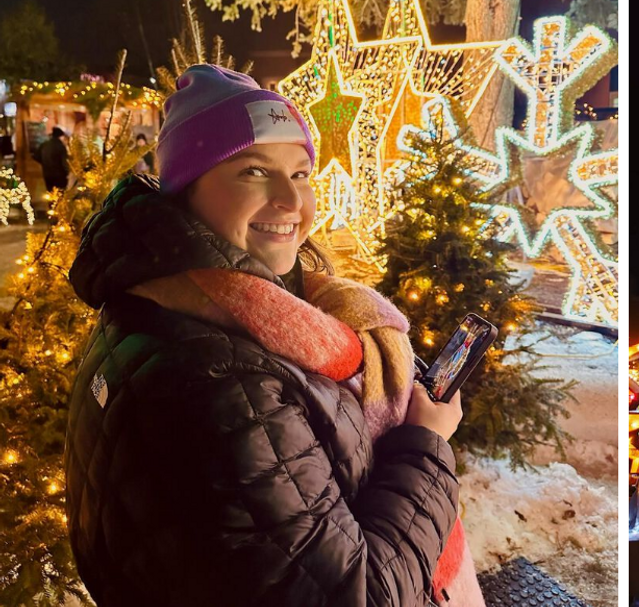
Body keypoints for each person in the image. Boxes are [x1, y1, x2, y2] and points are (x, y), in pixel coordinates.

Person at [64, 65, 482, 606]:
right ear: (186, 191)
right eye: (254, 172)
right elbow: (361, 596)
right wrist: (425, 447)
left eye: (302, 173)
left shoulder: (189, 302)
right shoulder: (216, 377)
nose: (291, 200)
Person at [40, 126, 70, 192]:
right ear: (60, 136)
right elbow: (64, 162)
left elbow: (36, 157)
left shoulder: (44, 145)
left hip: (47, 175)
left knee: (51, 194)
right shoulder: (60, 146)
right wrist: (68, 172)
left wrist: (44, 164)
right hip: (59, 176)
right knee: (60, 194)